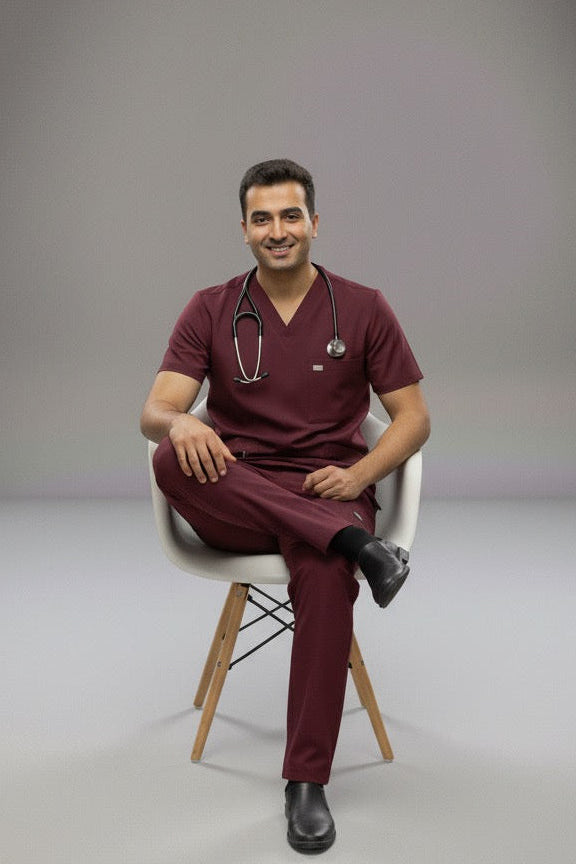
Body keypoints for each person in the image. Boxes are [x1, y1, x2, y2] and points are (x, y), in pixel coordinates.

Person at [140, 158, 430, 855]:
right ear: (244, 230)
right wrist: (179, 423)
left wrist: (359, 471)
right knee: (168, 457)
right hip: (235, 486)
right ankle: (361, 547)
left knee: (326, 575)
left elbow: (413, 418)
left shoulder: (363, 307)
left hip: (329, 485)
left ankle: (306, 784)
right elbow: (157, 408)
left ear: (314, 223)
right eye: (263, 218)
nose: (278, 231)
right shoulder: (210, 308)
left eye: (291, 216)